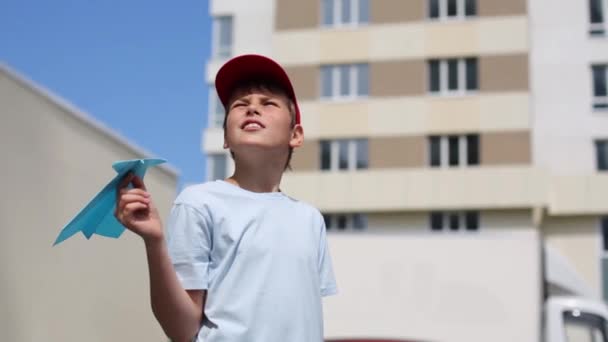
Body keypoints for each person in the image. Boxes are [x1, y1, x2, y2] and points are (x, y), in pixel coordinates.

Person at [115, 54, 337, 342]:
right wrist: (154, 242)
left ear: (295, 135)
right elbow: (181, 330)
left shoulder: (310, 219)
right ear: (225, 139)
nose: (252, 109)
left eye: (268, 103)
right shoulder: (198, 202)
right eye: (239, 105)